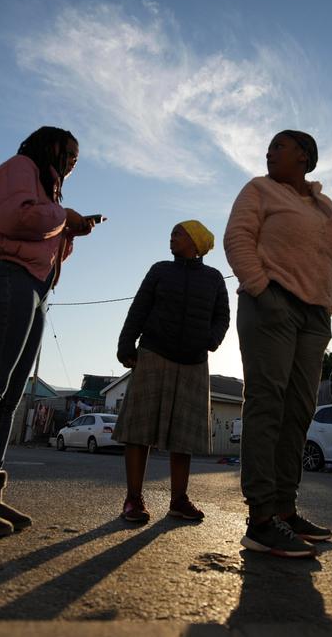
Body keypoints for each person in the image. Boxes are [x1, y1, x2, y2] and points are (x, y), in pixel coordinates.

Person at [224, 130, 332, 558]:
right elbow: (237, 239)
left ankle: (285, 510)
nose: (269, 151)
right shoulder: (258, 189)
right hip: (270, 303)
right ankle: (260, 519)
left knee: (298, 411)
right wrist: (261, 289)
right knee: (267, 402)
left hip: (313, 316)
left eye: (279, 145)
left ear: (304, 157)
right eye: (269, 145)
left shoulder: (324, 206)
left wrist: (327, 308)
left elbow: (330, 259)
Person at [0, 126, 96, 537]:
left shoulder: (49, 190)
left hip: (36, 289)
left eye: (77, 156)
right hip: (9, 277)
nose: (73, 160)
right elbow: (15, 217)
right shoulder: (21, 166)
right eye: (68, 152)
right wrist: (64, 217)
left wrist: (70, 228)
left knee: (8, 398)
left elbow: (44, 241)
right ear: (47, 146)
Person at [113, 220, 229, 523]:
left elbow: (223, 315)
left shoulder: (214, 278)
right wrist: (127, 345)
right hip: (153, 354)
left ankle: (179, 500)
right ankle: (133, 499)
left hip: (193, 362)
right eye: (172, 233)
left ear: (195, 241)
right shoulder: (160, 270)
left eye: (179, 233)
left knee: (184, 436)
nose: (172, 237)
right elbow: (138, 308)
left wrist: (212, 340)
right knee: (139, 431)